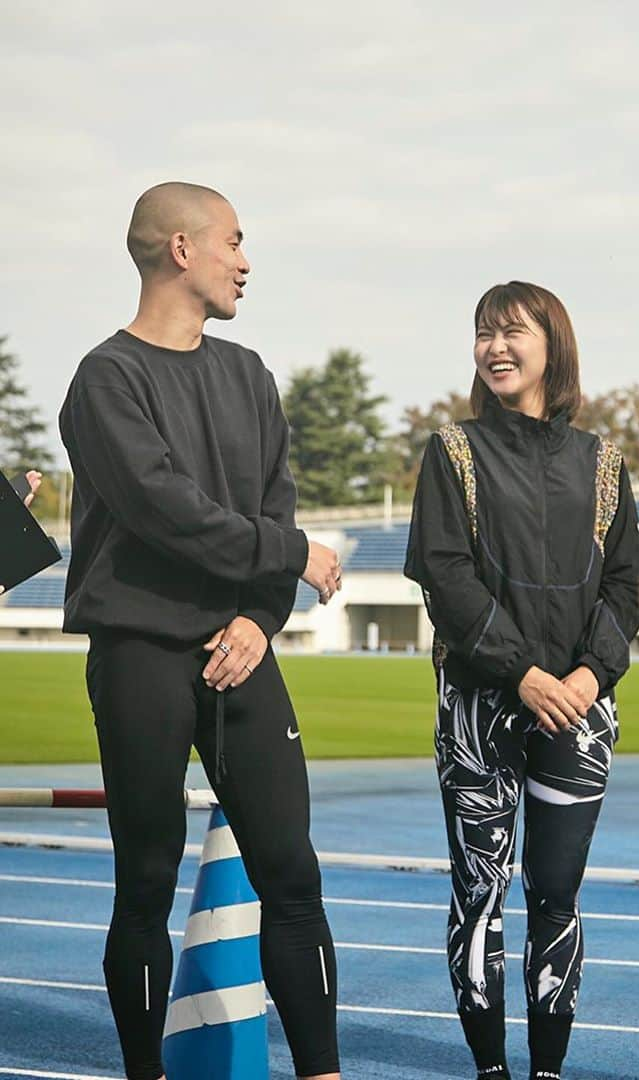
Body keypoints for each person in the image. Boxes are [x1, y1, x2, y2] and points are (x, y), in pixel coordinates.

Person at [58, 183, 343, 1080]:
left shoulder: (248, 373)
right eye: (234, 241)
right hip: (141, 650)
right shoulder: (106, 378)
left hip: (242, 650)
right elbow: (163, 510)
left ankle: (323, 1073)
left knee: (293, 878)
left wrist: (263, 617)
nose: (246, 260)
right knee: (145, 884)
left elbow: (272, 500)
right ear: (182, 249)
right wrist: (292, 552)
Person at [405, 281, 639, 1080]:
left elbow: (628, 586)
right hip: (479, 706)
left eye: (512, 331)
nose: (495, 346)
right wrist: (526, 673)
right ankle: (490, 1070)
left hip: (579, 712)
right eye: (483, 332)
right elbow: (445, 577)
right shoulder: (452, 451)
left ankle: (547, 1069)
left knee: (557, 897)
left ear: (553, 345)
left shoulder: (602, 462)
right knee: (480, 896)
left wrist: (583, 677)